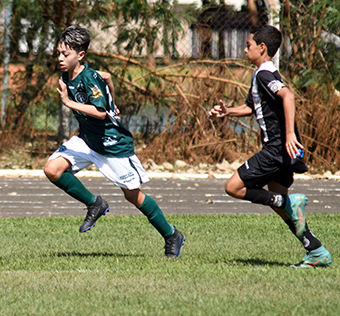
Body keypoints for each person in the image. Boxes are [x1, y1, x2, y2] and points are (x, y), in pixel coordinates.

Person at [43, 25, 185, 258]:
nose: (59, 58)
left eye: (65, 54)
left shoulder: (88, 78)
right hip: (87, 140)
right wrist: (113, 102)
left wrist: (75, 104)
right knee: (52, 169)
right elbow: (107, 77)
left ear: (80, 55)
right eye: (58, 52)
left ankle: (171, 234)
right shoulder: (69, 74)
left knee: (133, 195)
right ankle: (94, 203)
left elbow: (99, 113)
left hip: (111, 144)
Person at [209, 25, 332, 268]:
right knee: (283, 206)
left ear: (262, 48)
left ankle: (288, 203)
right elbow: (252, 107)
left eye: (248, 45)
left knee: (233, 187)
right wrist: (228, 112)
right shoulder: (264, 74)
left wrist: (287, 135)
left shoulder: (264, 75)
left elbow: (288, 96)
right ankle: (317, 251)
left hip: (277, 148)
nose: (245, 50)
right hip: (284, 150)